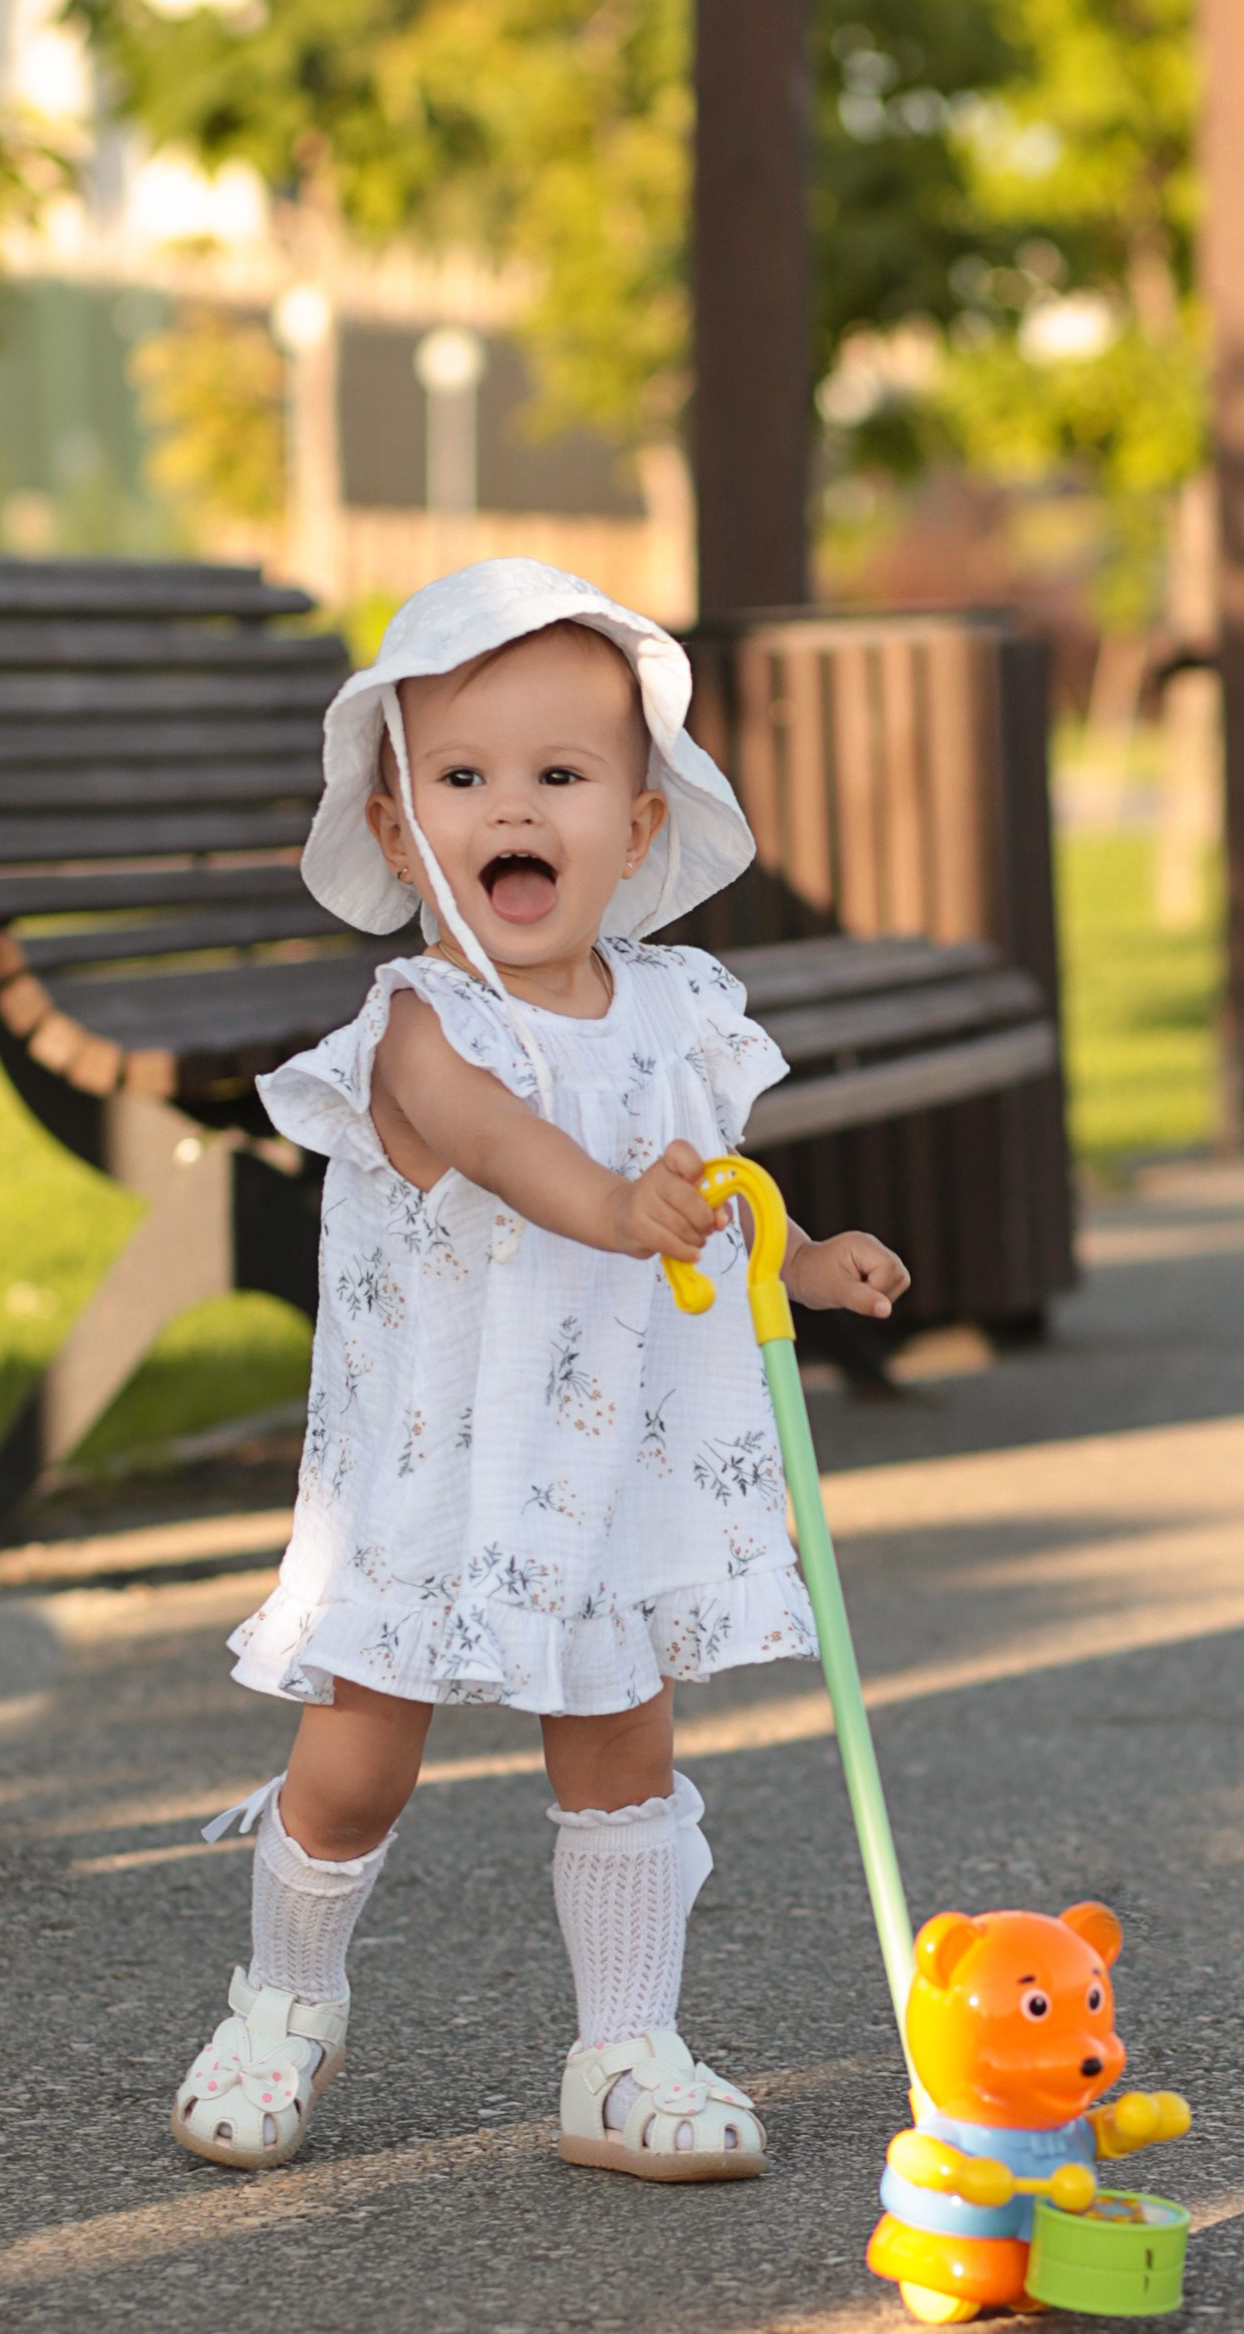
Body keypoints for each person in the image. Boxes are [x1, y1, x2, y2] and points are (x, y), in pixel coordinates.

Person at [173, 557, 910, 2187]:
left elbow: (700, 1204)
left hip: (613, 1465)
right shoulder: (423, 1031)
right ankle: (284, 2003)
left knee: (622, 1745)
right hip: (445, 1467)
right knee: (360, 1762)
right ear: (394, 827)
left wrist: (792, 1260)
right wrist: (622, 1204)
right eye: (461, 778)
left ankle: (623, 2051)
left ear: (637, 830)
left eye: (560, 778)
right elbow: (520, 1164)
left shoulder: (676, 1011)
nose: (512, 808)